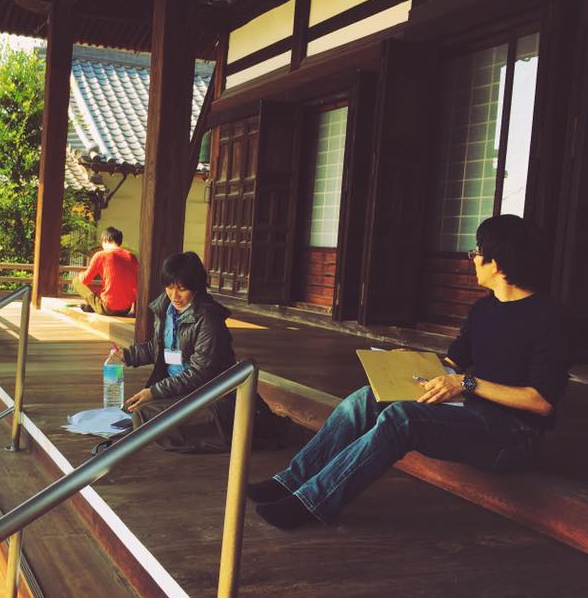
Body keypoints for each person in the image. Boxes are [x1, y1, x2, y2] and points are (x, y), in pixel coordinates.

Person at [248, 214, 575, 529]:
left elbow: (541, 402)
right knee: (366, 399)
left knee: (402, 418)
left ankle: (312, 502)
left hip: (514, 436)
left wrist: (468, 384)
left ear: (497, 264)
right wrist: (411, 362)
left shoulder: (551, 318)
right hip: (471, 413)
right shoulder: (484, 309)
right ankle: (290, 481)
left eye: (478, 252)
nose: (473, 259)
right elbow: (452, 364)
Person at [120, 251, 237, 452]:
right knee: (131, 410)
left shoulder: (208, 319)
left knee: (143, 415)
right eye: (169, 287)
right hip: (176, 389)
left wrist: (155, 392)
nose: (174, 296)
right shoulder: (167, 308)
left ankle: (216, 435)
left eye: (182, 289)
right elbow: (160, 348)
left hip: (206, 394)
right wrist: (128, 355)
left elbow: (199, 374)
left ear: (196, 286)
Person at [72, 226, 139, 316]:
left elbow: (85, 280)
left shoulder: (101, 255)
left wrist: (80, 274)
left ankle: (95, 306)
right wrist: (136, 311)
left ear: (105, 240)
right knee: (104, 289)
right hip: (125, 309)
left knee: (76, 281)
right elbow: (137, 284)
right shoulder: (132, 257)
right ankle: (93, 306)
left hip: (107, 308)